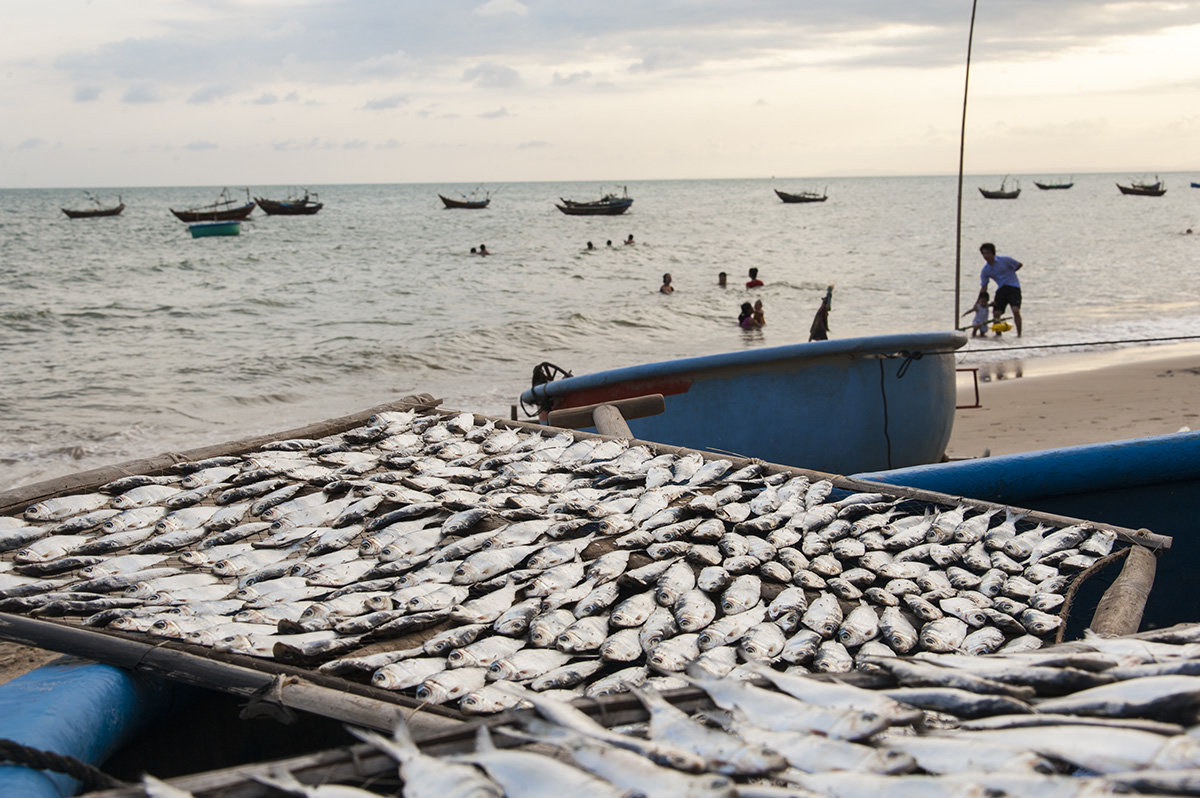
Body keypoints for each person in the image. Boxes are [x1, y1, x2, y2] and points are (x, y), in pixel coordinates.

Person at [979, 242, 1022, 336]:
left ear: (993, 253)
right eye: (984, 253)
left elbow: (1019, 265)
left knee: (1015, 310)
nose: (986, 256)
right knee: (996, 313)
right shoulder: (986, 270)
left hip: (1013, 287)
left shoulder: (1005, 260)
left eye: (988, 253)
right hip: (1001, 289)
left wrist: (1010, 274)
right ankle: (998, 335)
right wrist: (979, 302)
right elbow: (984, 286)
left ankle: (1019, 334)